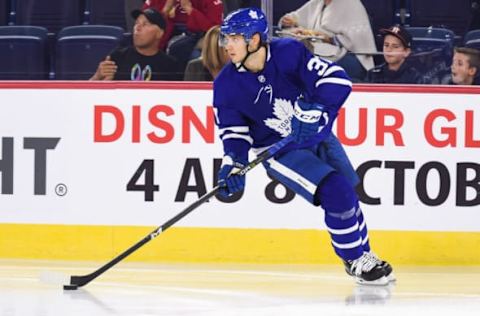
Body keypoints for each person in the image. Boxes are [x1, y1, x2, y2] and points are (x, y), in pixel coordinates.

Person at [213, 7, 394, 285]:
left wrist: (317, 109)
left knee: (347, 195)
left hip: (317, 137)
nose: (228, 45)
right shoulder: (226, 84)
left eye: (235, 38)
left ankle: (363, 255)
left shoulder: (288, 52)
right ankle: (355, 259)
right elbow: (234, 131)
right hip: (279, 151)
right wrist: (233, 162)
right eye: (226, 38)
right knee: (336, 190)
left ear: (255, 40)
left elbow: (336, 79)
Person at [278, 0, 376, 82]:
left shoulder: (351, 3)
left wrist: (329, 38)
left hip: (350, 55)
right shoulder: (317, 2)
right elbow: (296, 17)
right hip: (316, 49)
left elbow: (359, 39)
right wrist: (288, 21)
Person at [90, 8, 180, 81]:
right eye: (136, 23)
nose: (138, 27)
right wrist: (97, 77)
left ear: (159, 33)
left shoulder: (170, 66)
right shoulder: (117, 57)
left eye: (145, 24)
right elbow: (86, 93)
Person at [143, 0, 224, 70]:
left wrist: (190, 10)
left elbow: (214, 30)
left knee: (195, 59)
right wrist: (165, 11)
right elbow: (143, 24)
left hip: (198, 38)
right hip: (164, 37)